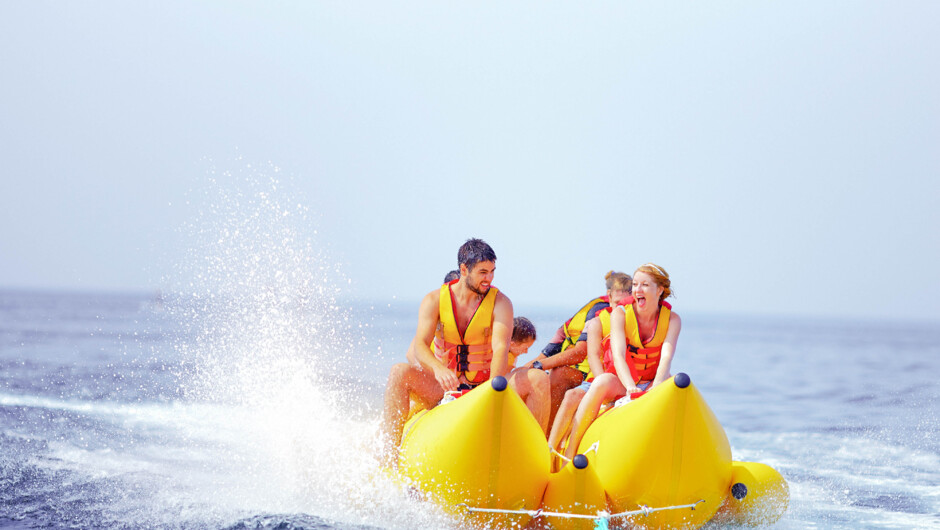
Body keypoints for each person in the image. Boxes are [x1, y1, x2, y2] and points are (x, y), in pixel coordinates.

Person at [379, 239, 549, 465]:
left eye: (492, 272)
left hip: (483, 385)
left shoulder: (501, 303)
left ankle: (531, 459)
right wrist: (438, 370)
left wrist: (491, 389)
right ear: (463, 269)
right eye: (482, 272)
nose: (488, 278)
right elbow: (420, 345)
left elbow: (500, 347)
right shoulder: (434, 300)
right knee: (399, 372)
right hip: (443, 387)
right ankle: (389, 459)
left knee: (538, 379)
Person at [556, 263, 681, 464]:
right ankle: (569, 455)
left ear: (660, 290)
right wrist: (631, 387)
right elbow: (619, 355)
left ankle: (677, 458)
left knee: (678, 383)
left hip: (651, 381)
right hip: (623, 382)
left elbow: (666, 357)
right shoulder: (620, 313)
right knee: (601, 381)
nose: (637, 289)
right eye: (635, 284)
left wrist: (655, 389)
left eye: (645, 285)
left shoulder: (673, 319)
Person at [523, 271, 632, 428]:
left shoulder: (602, 312)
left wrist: (540, 365)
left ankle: (546, 435)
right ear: (608, 294)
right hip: (585, 371)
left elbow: (580, 353)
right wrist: (525, 370)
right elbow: (545, 354)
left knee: (558, 374)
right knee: (533, 376)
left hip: (591, 373)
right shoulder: (581, 317)